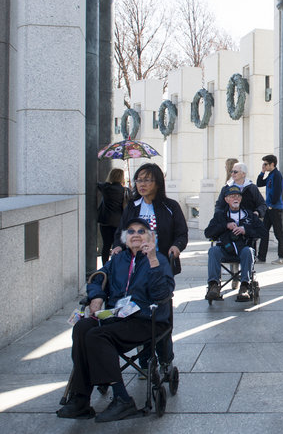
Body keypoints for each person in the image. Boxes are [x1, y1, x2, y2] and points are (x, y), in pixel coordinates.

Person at [57, 217, 174, 422]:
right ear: (124, 238)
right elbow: (98, 277)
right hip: (117, 317)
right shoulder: (118, 260)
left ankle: (122, 398)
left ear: (150, 237)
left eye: (141, 231)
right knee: (83, 327)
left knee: (97, 336)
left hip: (146, 319)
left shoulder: (158, 260)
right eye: (130, 231)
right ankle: (80, 398)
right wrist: (97, 297)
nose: (135, 234)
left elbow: (161, 293)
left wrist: (153, 260)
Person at [113, 162, 187, 372]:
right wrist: (118, 248)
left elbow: (181, 232)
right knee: (139, 311)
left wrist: (176, 246)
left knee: (160, 312)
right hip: (134, 269)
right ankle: (145, 360)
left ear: (158, 182)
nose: (142, 184)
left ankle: (165, 357)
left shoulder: (170, 206)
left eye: (147, 179)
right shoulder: (132, 206)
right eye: (139, 179)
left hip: (159, 267)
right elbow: (121, 233)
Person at [204, 184, 268, 302]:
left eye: (238, 196)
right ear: (226, 199)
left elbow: (263, 232)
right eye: (232, 196)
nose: (236, 199)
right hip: (225, 249)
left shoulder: (249, 215)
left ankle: (244, 286)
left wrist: (245, 230)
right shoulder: (220, 215)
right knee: (213, 251)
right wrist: (225, 226)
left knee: (248, 251)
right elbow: (208, 233)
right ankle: (213, 285)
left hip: (243, 249)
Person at [256, 154, 283, 265]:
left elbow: (278, 191)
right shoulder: (270, 175)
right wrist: (262, 172)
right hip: (269, 209)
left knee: (279, 233)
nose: (264, 165)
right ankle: (261, 257)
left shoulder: (277, 175)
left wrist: (272, 204)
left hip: (275, 209)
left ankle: (282, 257)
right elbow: (259, 183)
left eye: (266, 164)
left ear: (272, 164)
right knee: (264, 232)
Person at [97, 168, 127, 264]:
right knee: (117, 245)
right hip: (119, 222)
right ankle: (115, 266)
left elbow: (97, 184)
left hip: (105, 221)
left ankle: (105, 266)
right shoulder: (124, 190)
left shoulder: (105, 187)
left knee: (106, 245)